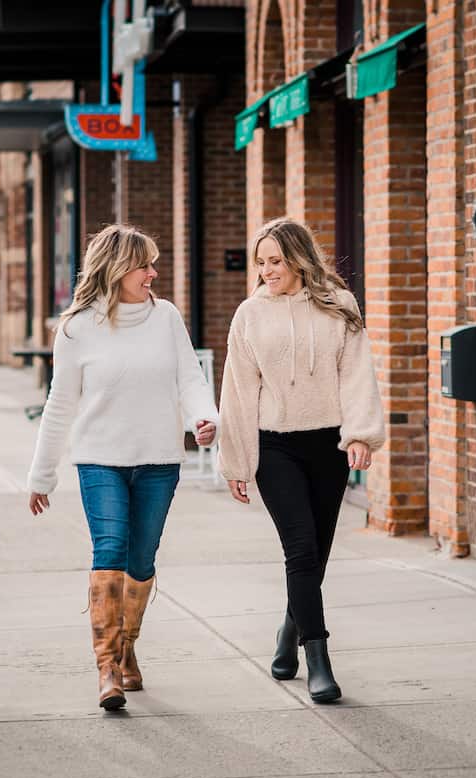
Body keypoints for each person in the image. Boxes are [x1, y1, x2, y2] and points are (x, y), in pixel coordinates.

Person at [25, 223, 219, 711]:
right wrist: (41, 474)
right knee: (109, 549)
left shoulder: (166, 317)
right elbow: (59, 404)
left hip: (158, 460)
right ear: (116, 269)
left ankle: (128, 646)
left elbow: (189, 378)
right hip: (99, 461)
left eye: (153, 264)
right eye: (145, 265)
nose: (154, 273)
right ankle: (107, 666)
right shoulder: (75, 328)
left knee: (142, 560)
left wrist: (204, 418)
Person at [217, 218, 385, 704]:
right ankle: (319, 659)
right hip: (276, 447)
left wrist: (359, 436)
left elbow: (356, 374)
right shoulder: (249, 315)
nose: (267, 271)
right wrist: (238, 462)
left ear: (298, 259)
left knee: (317, 554)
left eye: (275, 261)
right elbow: (239, 391)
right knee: (301, 550)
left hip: (328, 444)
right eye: (261, 263)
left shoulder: (339, 307)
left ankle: (288, 634)